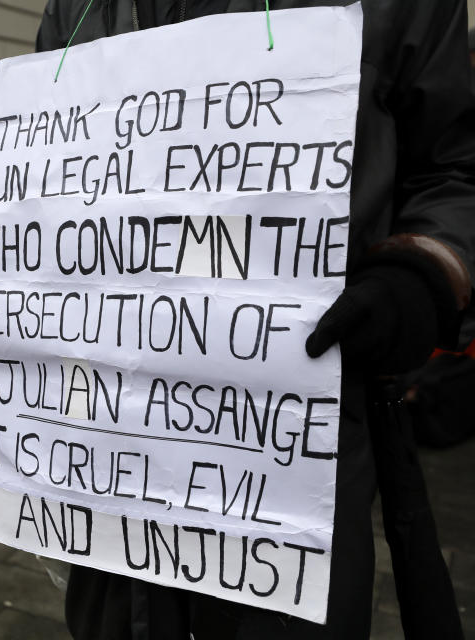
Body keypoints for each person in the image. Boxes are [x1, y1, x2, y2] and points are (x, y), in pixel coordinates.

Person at [35, 1, 474, 638]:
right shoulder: (75, 6)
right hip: (112, 443)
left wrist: (427, 269)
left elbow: (455, 164)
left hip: (295, 443)